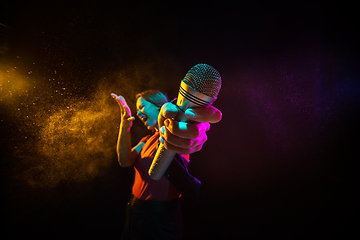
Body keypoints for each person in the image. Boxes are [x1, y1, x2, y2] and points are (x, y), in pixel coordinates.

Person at [111, 90, 221, 240]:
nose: (138, 114)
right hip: (133, 213)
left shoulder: (173, 136)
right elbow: (124, 161)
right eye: (137, 110)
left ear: (159, 106)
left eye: (142, 107)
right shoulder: (146, 140)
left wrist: (189, 120)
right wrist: (125, 126)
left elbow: (183, 122)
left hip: (160, 219)